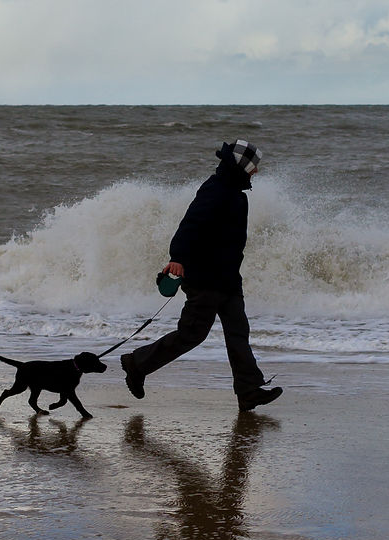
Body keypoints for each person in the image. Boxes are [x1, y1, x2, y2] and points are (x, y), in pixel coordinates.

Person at [121, 139, 283, 413]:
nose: (256, 172)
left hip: (229, 279)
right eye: (254, 167)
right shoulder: (215, 190)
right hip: (205, 278)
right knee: (191, 335)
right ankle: (138, 363)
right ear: (241, 166)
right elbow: (190, 224)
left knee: (238, 333)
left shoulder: (236, 194)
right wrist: (177, 258)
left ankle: (249, 391)